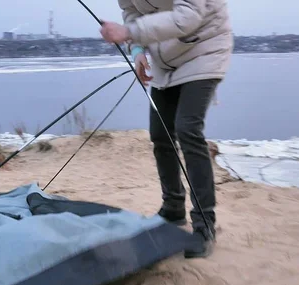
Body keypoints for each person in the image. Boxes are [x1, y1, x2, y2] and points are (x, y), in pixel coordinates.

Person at [99, 0, 234, 258]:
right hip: (165, 56)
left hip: (205, 48)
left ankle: (204, 223)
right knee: (160, 134)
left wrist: (129, 32)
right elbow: (131, 12)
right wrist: (137, 49)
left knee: (187, 128)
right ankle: (173, 208)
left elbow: (189, 15)